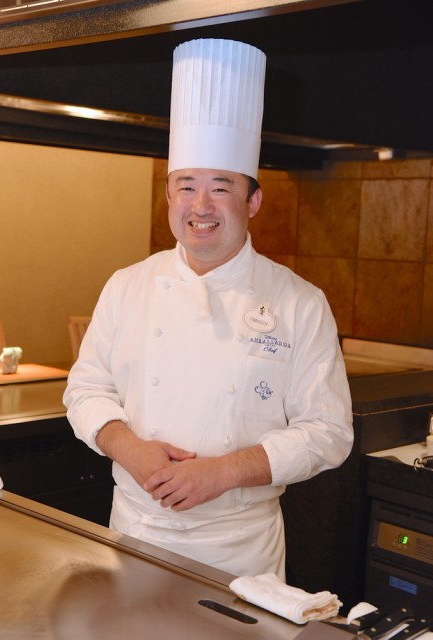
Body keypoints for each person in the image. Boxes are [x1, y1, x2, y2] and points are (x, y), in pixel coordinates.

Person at [63, 38, 353, 580]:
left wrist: (223, 472)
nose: (201, 206)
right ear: (169, 197)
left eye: (221, 188)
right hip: (135, 531)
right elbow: (84, 390)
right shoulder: (127, 285)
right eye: (186, 186)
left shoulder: (301, 302)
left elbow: (328, 431)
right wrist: (129, 448)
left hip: (239, 549)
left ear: (252, 201)